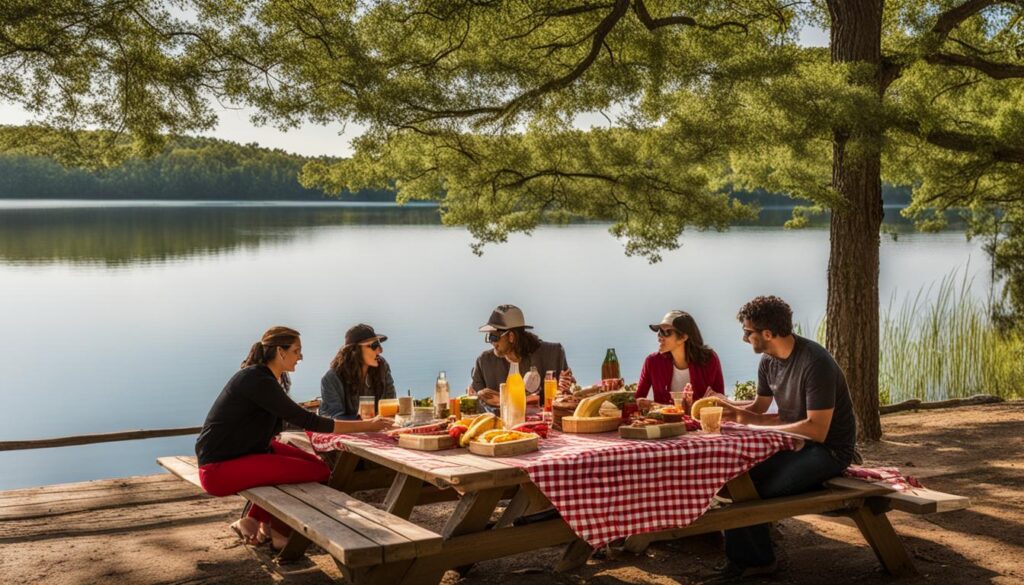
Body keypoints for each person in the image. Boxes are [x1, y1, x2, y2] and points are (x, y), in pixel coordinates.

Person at [195, 326, 393, 551]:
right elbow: (307, 420)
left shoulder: (265, 377)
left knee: (318, 467)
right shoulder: (257, 380)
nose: (300, 357)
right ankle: (280, 531)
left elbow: (293, 417)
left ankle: (253, 521)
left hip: (251, 453)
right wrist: (366, 425)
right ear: (280, 351)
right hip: (219, 468)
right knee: (315, 473)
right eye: (296, 351)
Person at [712, 296, 857, 581]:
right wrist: (725, 406)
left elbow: (817, 429)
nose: (744, 338)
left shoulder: (815, 362)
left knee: (754, 491)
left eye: (747, 332)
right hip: (794, 444)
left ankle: (757, 562)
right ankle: (751, 556)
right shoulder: (769, 361)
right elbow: (758, 409)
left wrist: (762, 429)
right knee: (733, 477)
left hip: (828, 451)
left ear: (767, 333)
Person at [470, 304, 574, 412]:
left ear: (511, 336)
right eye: (488, 337)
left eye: (494, 337)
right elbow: (476, 405)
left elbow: (565, 397)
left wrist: (565, 388)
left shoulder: (552, 354)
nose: (492, 342)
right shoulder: (483, 362)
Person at [635, 310, 725, 407]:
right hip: (666, 422)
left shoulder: (709, 360)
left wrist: (658, 406)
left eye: (666, 333)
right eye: (660, 332)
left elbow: (720, 402)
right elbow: (638, 399)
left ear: (683, 337)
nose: (659, 337)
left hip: (700, 421)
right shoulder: (652, 362)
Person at [320, 324, 396, 419]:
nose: (380, 350)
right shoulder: (332, 379)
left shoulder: (382, 366)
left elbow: (391, 404)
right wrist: (367, 423)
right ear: (354, 350)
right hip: (347, 433)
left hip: (379, 429)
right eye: (374, 346)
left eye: (379, 345)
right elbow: (333, 419)